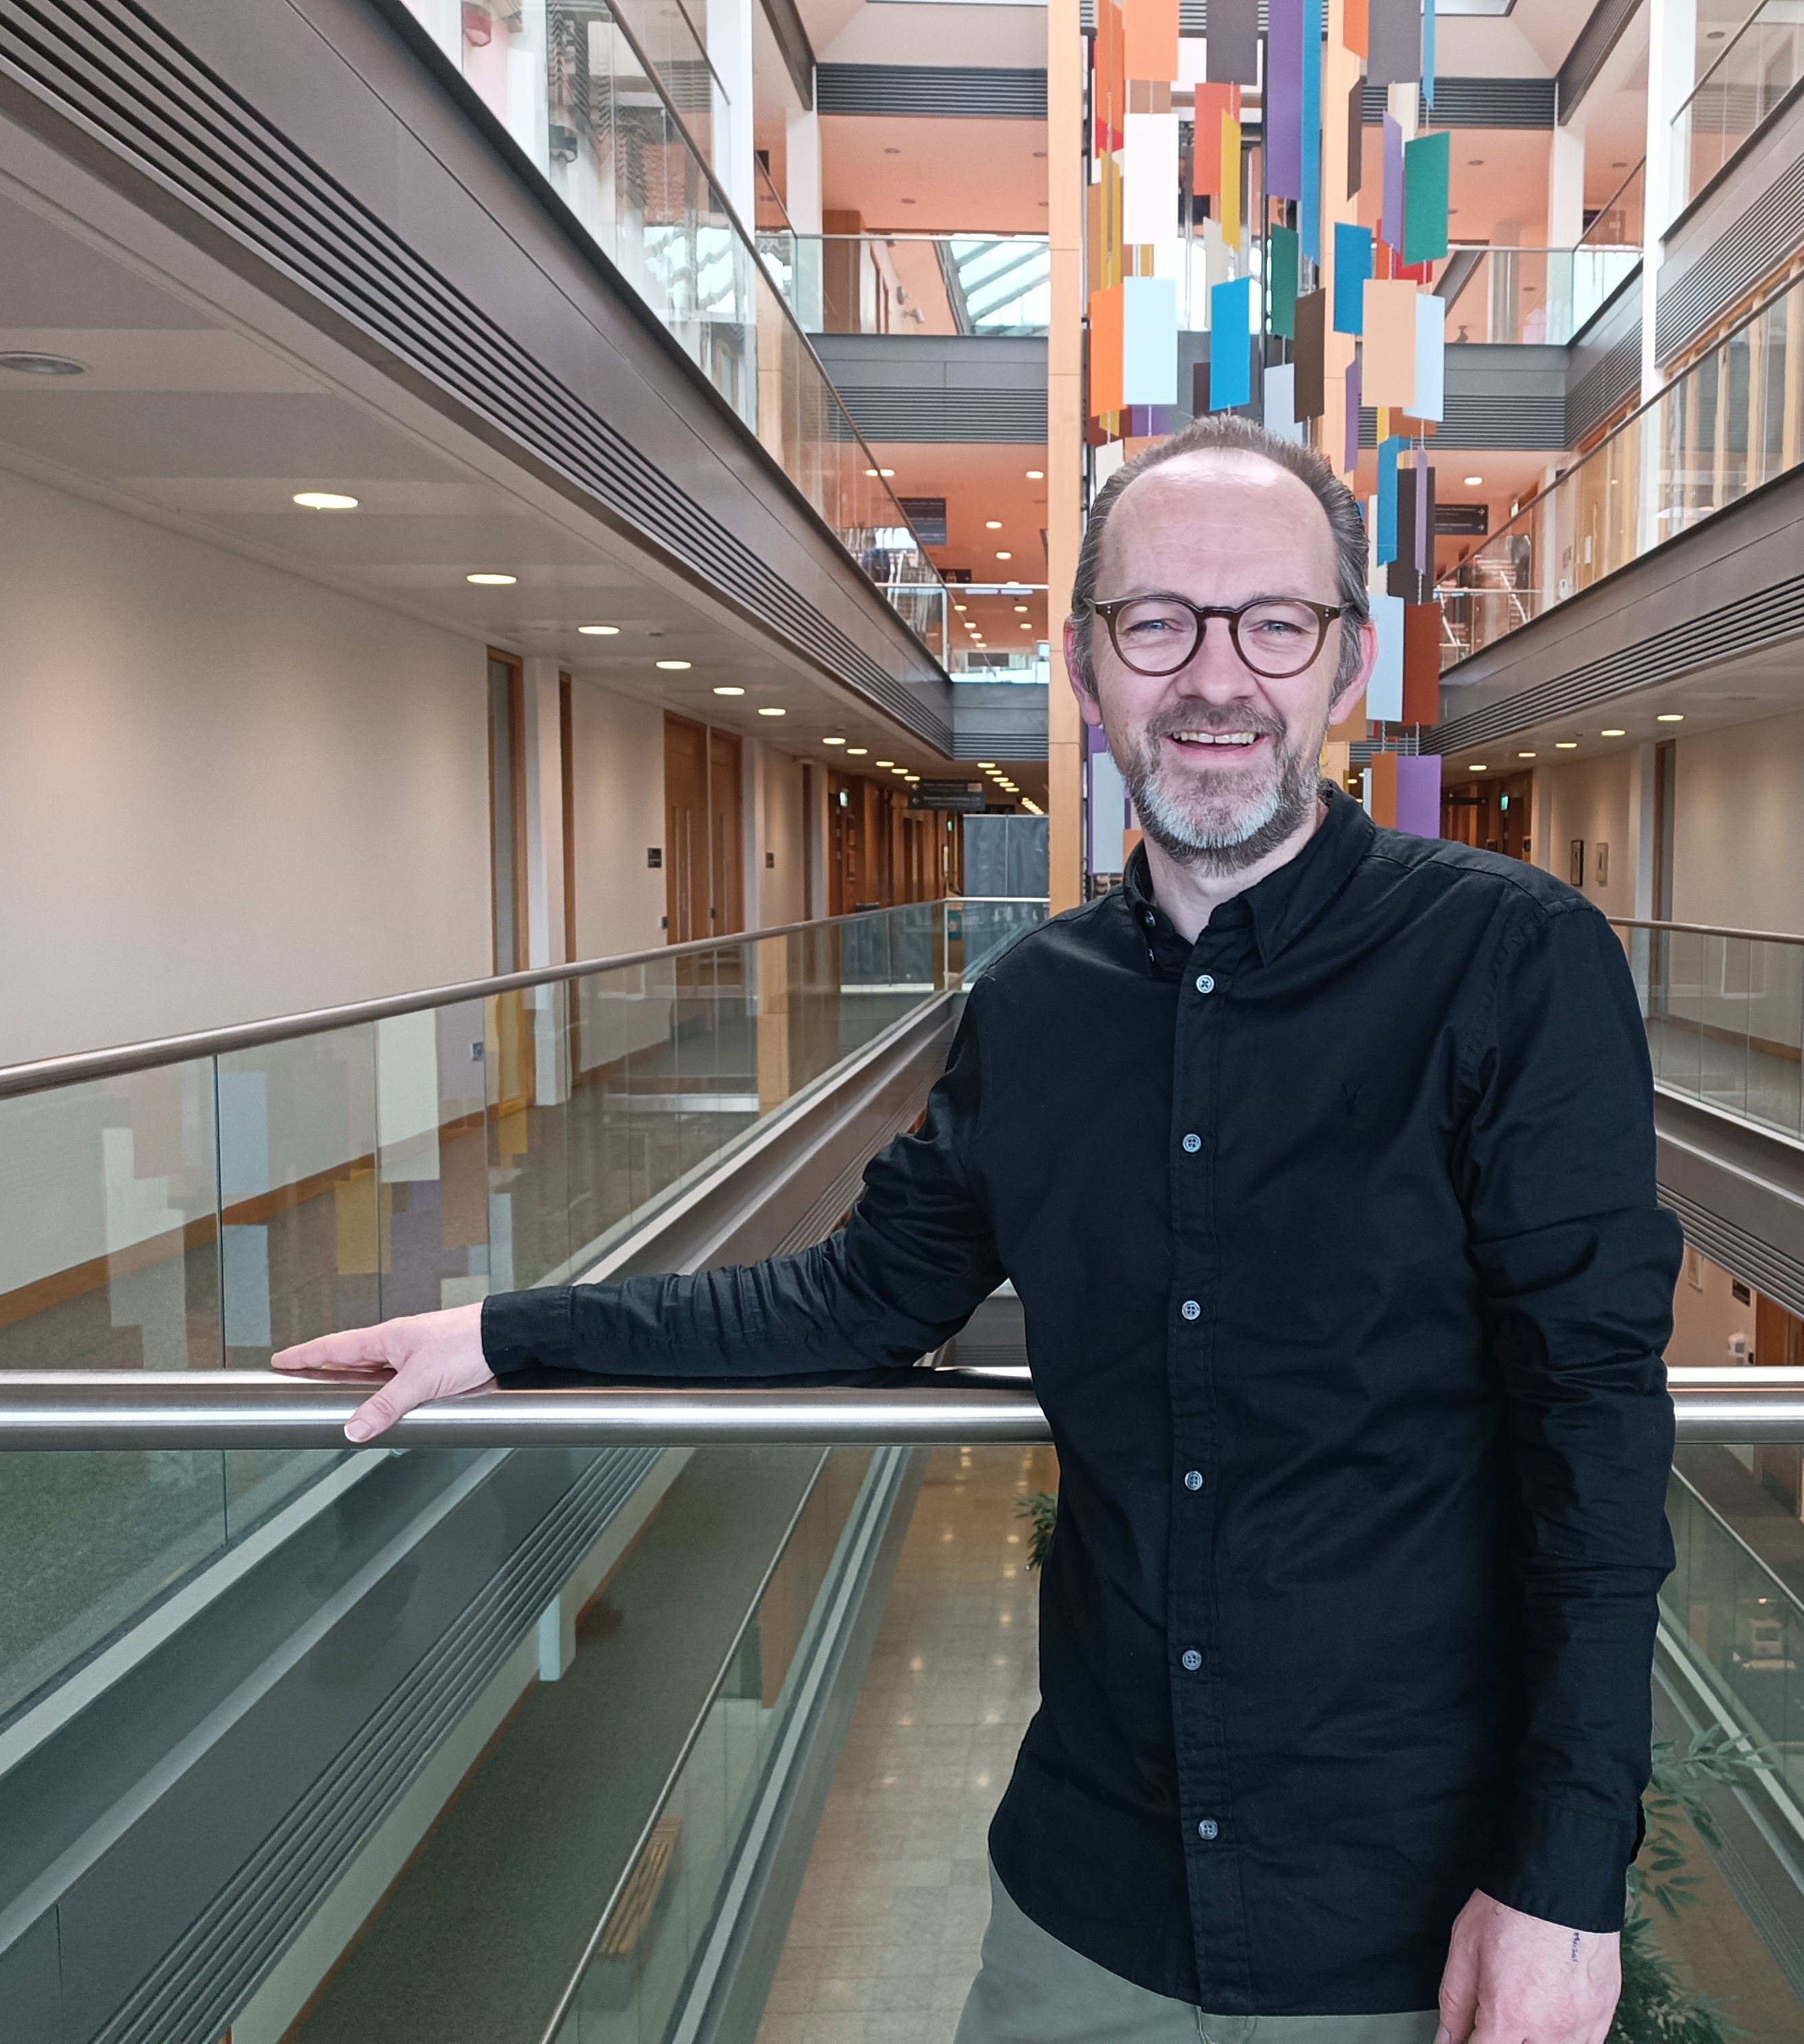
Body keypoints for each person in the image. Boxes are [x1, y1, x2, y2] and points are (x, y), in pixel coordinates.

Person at [274, 415, 1681, 2044]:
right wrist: (501, 1337)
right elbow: (862, 1300)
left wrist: (1567, 1879)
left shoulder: (1512, 962)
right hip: (1085, 1901)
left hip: (1408, 1920)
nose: (1213, 676)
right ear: (1085, 674)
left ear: (1343, 668)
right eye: (1155, 622)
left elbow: (1595, 1431)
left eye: (1271, 623)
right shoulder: (1030, 1007)